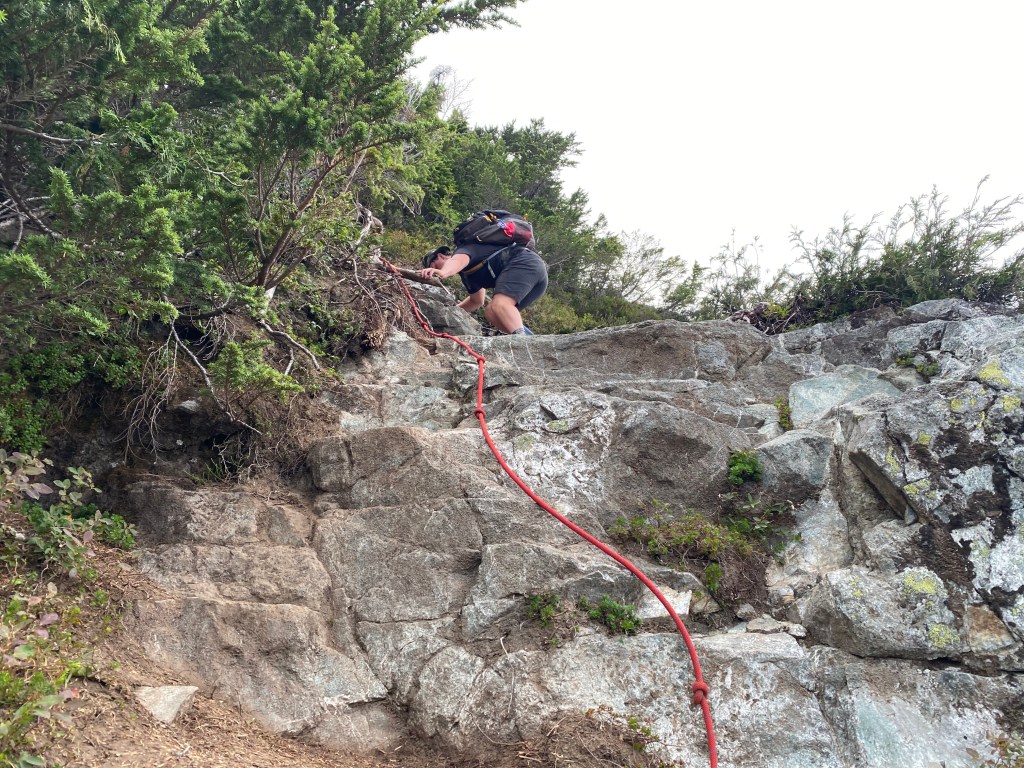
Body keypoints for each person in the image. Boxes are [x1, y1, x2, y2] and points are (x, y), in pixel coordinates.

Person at [419, 240, 548, 336]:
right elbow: (477, 301)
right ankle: (533, 343)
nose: (435, 270)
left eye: (434, 266)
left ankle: (525, 344)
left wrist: (442, 272)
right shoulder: (468, 275)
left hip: (525, 262)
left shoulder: (463, 251)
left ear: (440, 256)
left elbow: (456, 262)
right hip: (535, 277)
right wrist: (449, 312)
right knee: (492, 312)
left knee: (500, 305)